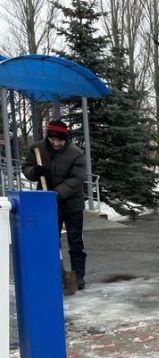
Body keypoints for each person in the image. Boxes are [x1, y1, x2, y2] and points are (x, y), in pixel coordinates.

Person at [22, 120, 88, 289]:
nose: (56, 143)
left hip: (71, 203)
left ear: (66, 139)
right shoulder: (37, 149)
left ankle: (78, 276)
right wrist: (34, 172)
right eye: (53, 139)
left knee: (75, 240)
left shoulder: (76, 153)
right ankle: (56, 274)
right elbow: (27, 167)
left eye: (60, 140)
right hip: (47, 203)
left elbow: (77, 178)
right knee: (51, 239)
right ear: (48, 136)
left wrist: (56, 193)